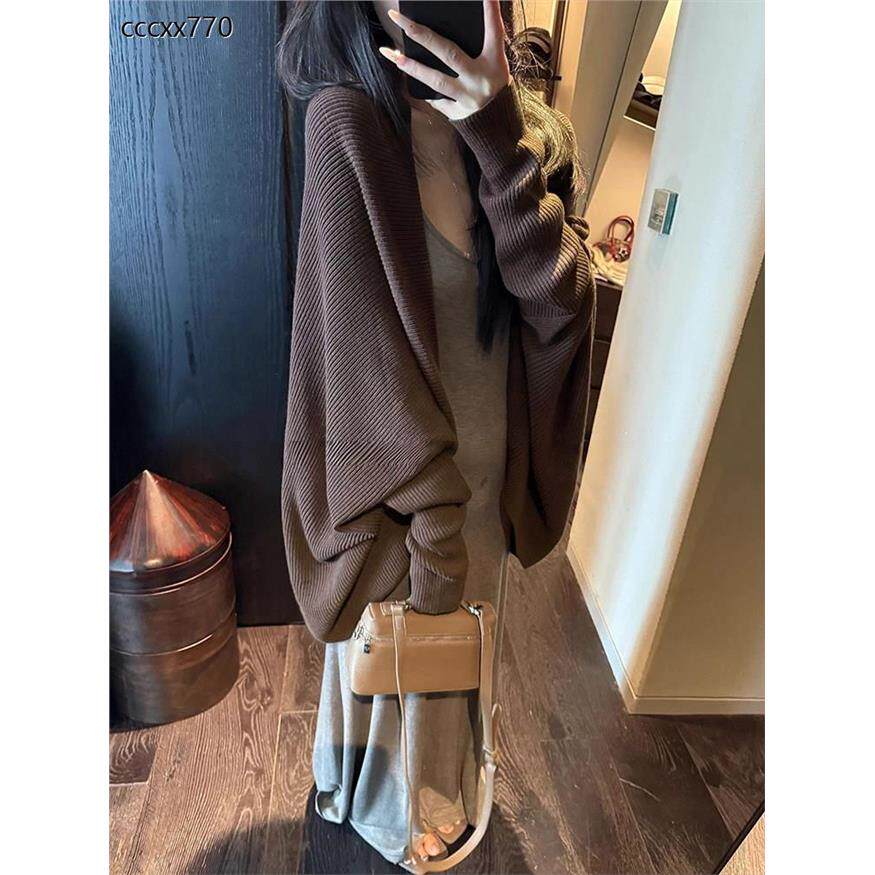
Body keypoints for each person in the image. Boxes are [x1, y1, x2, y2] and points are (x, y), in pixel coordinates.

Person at [277, 0, 595, 868]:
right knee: (391, 677)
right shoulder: (347, 124)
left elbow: (562, 311)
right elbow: (355, 354)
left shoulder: (531, 135)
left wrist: (496, 136)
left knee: (456, 673)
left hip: (486, 494)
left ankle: (441, 804)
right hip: (398, 497)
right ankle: (382, 811)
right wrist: (433, 530)